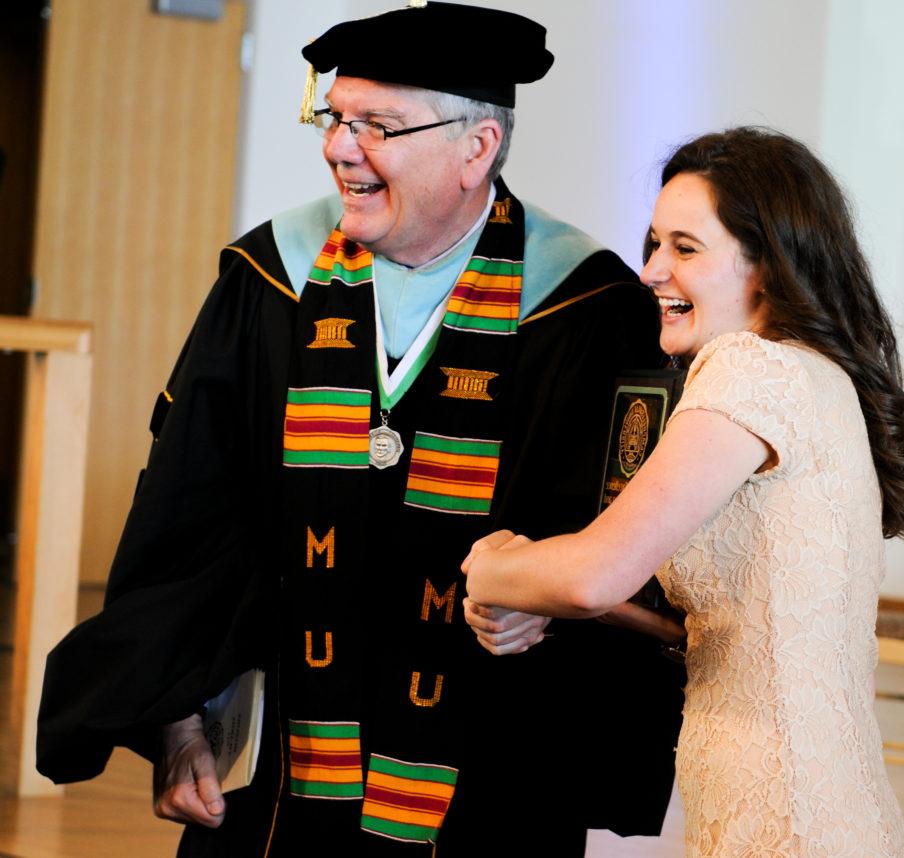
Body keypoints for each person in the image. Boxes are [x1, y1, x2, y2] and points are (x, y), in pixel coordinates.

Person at [35, 2, 686, 855]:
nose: (340, 148)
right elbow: (187, 520)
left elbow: (629, 542)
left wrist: (549, 607)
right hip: (282, 781)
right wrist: (179, 723)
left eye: (376, 125)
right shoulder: (269, 278)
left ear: (475, 148)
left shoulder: (586, 306)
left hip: (488, 784)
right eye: (335, 117)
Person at [463, 127, 904, 857]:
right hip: (813, 803)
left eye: (685, 248)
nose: (650, 271)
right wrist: (538, 600)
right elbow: (733, 631)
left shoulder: (749, 370)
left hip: (781, 821)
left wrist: (490, 565)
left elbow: (593, 575)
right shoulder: (811, 372)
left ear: (764, 269)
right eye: (653, 244)